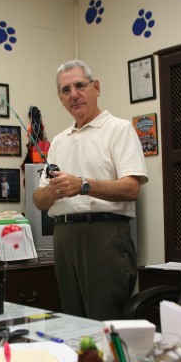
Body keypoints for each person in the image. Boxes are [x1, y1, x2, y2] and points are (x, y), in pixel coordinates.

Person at [33, 60, 148, 321]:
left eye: (79, 86)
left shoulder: (119, 130)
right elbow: (39, 200)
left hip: (104, 235)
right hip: (63, 237)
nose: (74, 94)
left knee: (105, 322)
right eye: (65, 90)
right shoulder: (59, 141)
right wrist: (55, 191)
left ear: (96, 87)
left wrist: (83, 185)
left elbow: (131, 188)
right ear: (60, 98)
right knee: (74, 323)